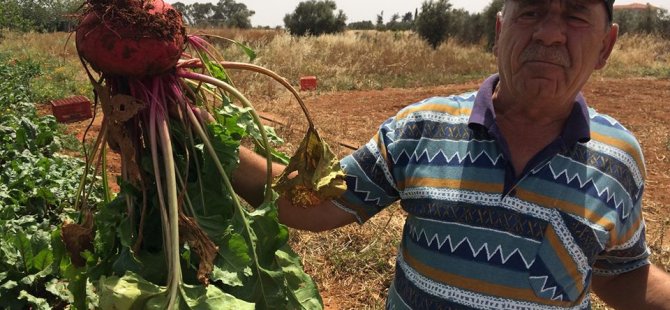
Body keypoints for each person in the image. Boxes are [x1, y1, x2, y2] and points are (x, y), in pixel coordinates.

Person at [232, 0, 670, 308]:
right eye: (532, 11)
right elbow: (317, 203)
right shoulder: (421, 127)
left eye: (575, 14)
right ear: (500, 32)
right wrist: (205, 144)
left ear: (605, 47)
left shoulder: (618, 159)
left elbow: (623, 275)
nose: (550, 33)